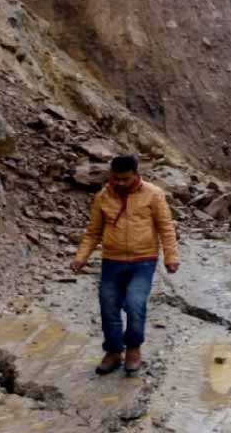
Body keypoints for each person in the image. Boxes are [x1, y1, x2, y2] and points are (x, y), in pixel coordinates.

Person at [70, 155, 180, 376]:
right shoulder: (103, 197)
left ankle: (133, 349)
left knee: (135, 304)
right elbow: (93, 232)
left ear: (136, 174)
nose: (120, 183)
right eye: (116, 178)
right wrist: (81, 256)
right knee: (108, 305)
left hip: (144, 261)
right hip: (112, 261)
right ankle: (113, 351)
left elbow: (166, 228)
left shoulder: (153, 194)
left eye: (125, 179)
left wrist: (171, 257)